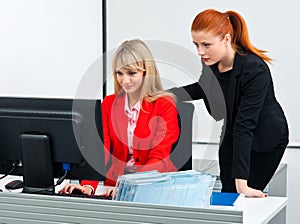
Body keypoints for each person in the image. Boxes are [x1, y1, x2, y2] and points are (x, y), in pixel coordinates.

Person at [169, 9, 289, 198]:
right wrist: (167, 95)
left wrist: (242, 184)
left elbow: (245, 124)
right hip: (233, 132)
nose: (200, 52)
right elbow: (203, 88)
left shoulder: (254, 68)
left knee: (243, 196)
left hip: (264, 139)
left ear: (226, 39)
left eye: (206, 45)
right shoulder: (210, 61)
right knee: (228, 194)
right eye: (196, 45)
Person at [60, 39, 180, 196]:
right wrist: (89, 186)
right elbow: (100, 151)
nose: (125, 80)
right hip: (114, 186)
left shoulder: (165, 105)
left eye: (131, 73)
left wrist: (128, 187)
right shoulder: (109, 104)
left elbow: (159, 158)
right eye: (119, 73)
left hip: (153, 185)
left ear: (146, 72)